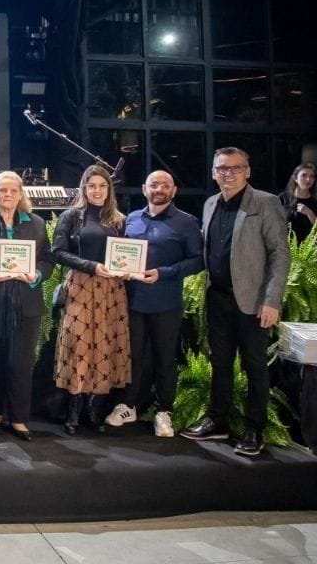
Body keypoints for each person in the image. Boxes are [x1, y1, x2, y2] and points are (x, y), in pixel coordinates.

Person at [182, 147, 290, 457]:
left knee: (254, 366)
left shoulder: (265, 202)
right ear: (213, 173)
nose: (228, 173)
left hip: (253, 302)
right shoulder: (210, 204)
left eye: (235, 168)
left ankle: (254, 429)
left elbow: (280, 255)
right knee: (220, 362)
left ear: (247, 171)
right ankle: (217, 419)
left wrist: (272, 301)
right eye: (222, 168)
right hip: (217, 298)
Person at [108, 170, 203, 437]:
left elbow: (198, 260)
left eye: (164, 185)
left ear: (173, 190)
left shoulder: (187, 222)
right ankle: (128, 405)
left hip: (166, 302)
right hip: (133, 301)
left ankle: (164, 411)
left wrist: (164, 273)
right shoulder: (131, 219)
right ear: (144, 189)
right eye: (154, 185)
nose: (159, 189)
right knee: (132, 356)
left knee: (164, 358)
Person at [0, 170, 54, 442]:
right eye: (2, 190)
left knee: (21, 363)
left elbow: (47, 260)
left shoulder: (36, 223)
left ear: (21, 194)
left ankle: (18, 418)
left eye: (13, 190)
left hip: (26, 303)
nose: (7, 194)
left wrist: (37, 274)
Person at [51, 165, 131, 435]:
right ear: (84, 188)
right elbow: (58, 252)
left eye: (102, 186)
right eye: (92, 185)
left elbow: (127, 254)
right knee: (80, 346)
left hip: (111, 291)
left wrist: (127, 268)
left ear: (109, 189)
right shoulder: (71, 216)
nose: (97, 191)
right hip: (80, 287)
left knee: (105, 347)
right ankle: (72, 412)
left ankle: (94, 412)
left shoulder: (119, 220)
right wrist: (91, 266)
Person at [279, 163, 317, 244]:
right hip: (285, 246)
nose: (308, 179)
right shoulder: (283, 198)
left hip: (310, 247)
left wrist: (309, 213)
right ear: (295, 178)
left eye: (312, 176)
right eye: (304, 175)